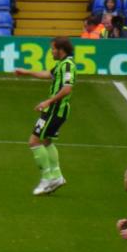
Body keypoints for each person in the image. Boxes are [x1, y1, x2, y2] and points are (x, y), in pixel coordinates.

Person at [14, 37, 75, 196]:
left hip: (55, 110)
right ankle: (57, 176)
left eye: (53, 49)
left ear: (61, 49)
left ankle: (47, 178)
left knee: (34, 141)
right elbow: (48, 74)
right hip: (57, 110)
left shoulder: (67, 65)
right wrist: (27, 72)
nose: (51, 51)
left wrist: (49, 101)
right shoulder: (62, 64)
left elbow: (68, 88)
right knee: (47, 140)